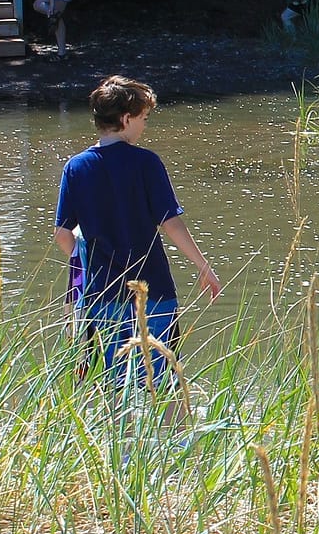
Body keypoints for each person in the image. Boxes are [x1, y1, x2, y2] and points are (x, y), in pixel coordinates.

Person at [53, 76, 222, 386]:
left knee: (112, 387)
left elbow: (63, 235)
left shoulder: (75, 168)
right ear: (125, 118)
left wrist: (83, 257)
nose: (144, 126)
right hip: (153, 288)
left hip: (101, 295)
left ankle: (121, 435)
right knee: (168, 383)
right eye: (143, 118)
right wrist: (203, 266)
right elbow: (171, 223)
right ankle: (179, 435)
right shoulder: (146, 163)